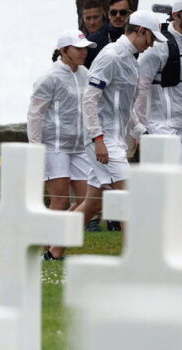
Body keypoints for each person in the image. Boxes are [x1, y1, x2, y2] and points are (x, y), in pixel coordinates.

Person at [74, 10, 166, 236]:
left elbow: (124, 108)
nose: (152, 44)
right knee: (129, 196)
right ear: (141, 31)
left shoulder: (131, 61)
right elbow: (89, 98)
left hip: (115, 140)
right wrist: (98, 139)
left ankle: (52, 249)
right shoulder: (112, 56)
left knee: (93, 204)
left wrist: (140, 132)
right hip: (103, 140)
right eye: (152, 38)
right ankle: (137, 257)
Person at [27, 30, 96, 260]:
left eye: (85, 48)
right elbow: (35, 114)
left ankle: (55, 244)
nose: (84, 52)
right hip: (54, 146)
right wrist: (36, 148)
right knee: (61, 201)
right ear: (63, 51)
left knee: (90, 200)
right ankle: (51, 249)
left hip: (80, 146)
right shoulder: (50, 78)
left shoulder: (86, 75)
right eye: (79, 48)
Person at [134, 1, 182, 163]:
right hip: (162, 127)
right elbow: (140, 88)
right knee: (168, 182)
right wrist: (141, 129)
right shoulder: (159, 45)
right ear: (176, 15)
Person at [86, 0, 130, 68]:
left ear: (129, 14)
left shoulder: (136, 38)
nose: (118, 16)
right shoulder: (93, 41)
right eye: (113, 12)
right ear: (109, 14)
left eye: (123, 12)